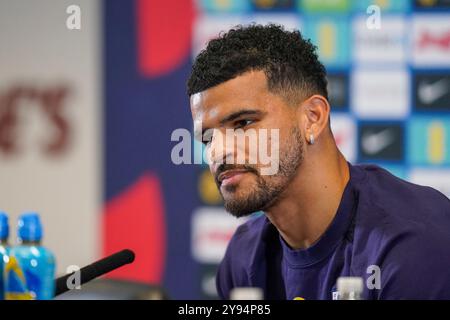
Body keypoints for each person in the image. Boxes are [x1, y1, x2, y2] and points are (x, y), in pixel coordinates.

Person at [187, 24, 450, 300]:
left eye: (243, 123)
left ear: (312, 118)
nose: (219, 151)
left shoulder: (412, 247)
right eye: (207, 138)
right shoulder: (243, 258)